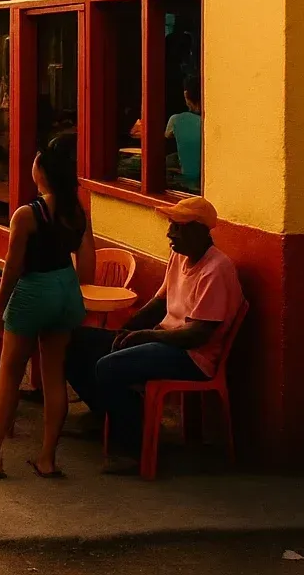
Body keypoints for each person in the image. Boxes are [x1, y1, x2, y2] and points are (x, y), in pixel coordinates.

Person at [66, 197, 244, 474]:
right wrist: (128, 330)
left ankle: (134, 448)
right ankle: (105, 414)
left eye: (177, 227)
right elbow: (160, 302)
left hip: (192, 357)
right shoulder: (180, 255)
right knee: (73, 342)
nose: (169, 233)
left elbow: (197, 335)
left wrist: (145, 337)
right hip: (164, 340)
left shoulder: (216, 269)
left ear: (199, 231)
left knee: (110, 366)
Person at [0, 135, 96, 480]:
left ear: (42, 173)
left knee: (9, 372)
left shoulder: (28, 214)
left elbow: (11, 267)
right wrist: (72, 291)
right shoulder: (77, 211)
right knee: (54, 377)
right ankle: (47, 459)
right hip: (65, 289)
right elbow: (87, 266)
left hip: (33, 290)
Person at [166, 76, 203, 192]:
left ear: (186, 95)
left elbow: (167, 136)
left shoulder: (176, 120)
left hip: (185, 184)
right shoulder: (212, 122)